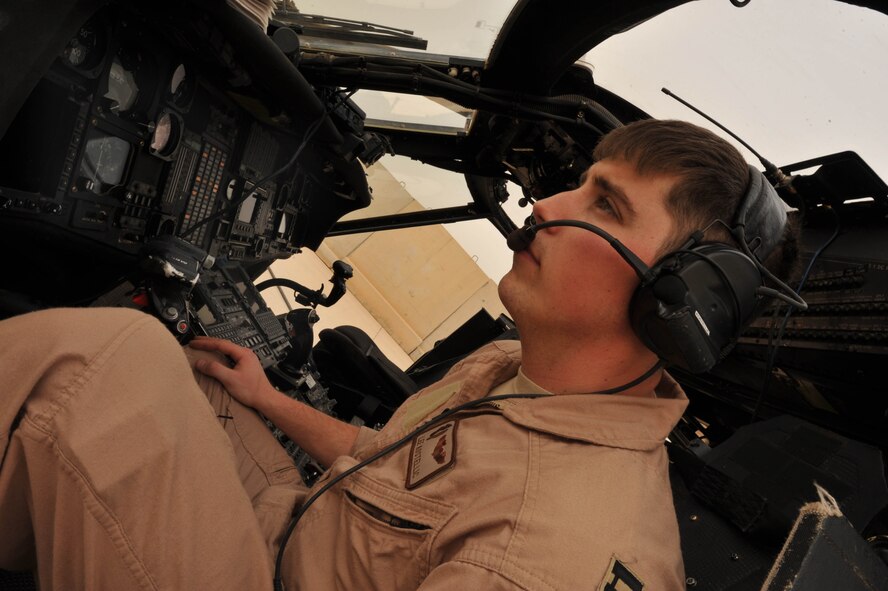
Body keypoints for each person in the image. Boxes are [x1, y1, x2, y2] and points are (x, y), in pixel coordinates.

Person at [0, 119, 797, 590]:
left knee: (103, 367)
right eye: (582, 183)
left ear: (674, 306)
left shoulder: (548, 554)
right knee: (196, 372)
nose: (547, 205)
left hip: (276, 568)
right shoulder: (514, 371)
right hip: (305, 526)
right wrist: (270, 399)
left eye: (606, 205)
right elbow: (388, 463)